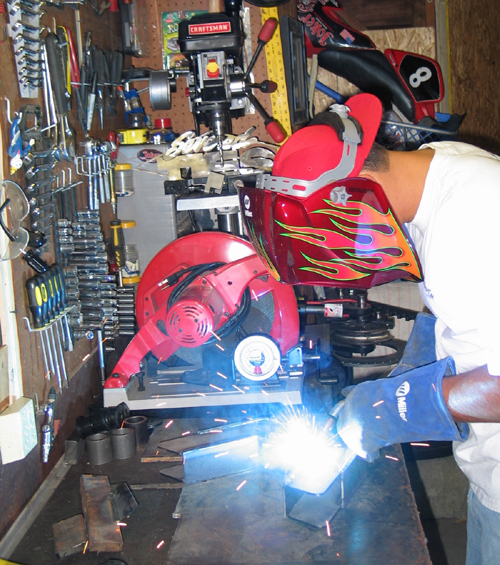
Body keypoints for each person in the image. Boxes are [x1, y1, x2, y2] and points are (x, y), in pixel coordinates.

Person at [257, 93, 500, 565]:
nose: (346, 245)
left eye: (337, 228)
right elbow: (466, 307)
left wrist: (397, 406)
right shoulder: (438, 173)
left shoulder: (473, 218)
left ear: (358, 190)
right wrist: (415, 364)